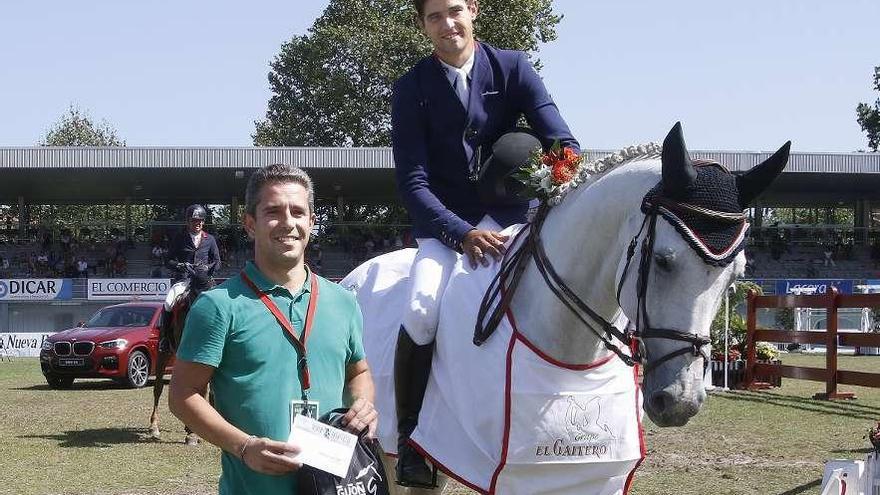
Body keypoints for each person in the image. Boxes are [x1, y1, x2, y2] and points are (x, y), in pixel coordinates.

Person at [390, 0, 580, 486]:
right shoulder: (411, 88)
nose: (447, 24)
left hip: (514, 219)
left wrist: (558, 174)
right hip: (446, 229)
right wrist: (460, 232)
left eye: (455, 11)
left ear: (473, 10)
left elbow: (562, 139)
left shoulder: (513, 67)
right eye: (434, 17)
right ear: (422, 25)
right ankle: (413, 441)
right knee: (420, 308)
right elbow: (414, 183)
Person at [169, 164, 378, 495]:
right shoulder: (217, 306)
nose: (288, 222)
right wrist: (244, 446)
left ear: (312, 221)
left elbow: (358, 372)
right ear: (250, 224)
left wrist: (363, 405)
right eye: (273, 212)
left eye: (298, 211)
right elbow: (183, 396)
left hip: (334, 486)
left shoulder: (343, 302)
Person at [166, 204, 221, 288]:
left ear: (203, 222)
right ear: (188, 221)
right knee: (170, 299)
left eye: (200, 220)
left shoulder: (210, 239)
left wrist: (207, 267)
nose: (197, 223)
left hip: (205, 280)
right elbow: (168, 260)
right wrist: (180, 265)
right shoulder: (179, 238)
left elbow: (217, 262)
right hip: (184, 280)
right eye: (193, 220)